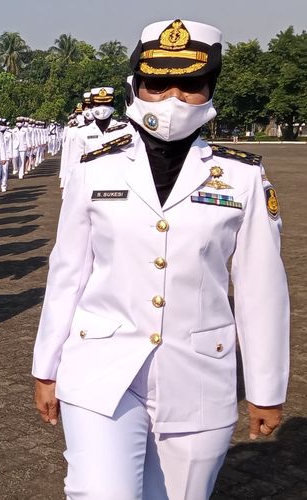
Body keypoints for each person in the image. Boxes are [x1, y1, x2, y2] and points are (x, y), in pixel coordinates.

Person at [32, 20, 290, 499]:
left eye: (190, 84)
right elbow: (68, 271)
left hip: (197, 374)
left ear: (210, 88)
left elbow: (261, 289)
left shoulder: (241, 177)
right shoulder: (96, 169)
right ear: (136, 86)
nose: (172, 97)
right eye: (156, 83)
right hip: (101, 365)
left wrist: (266, 387)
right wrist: (45, 365)